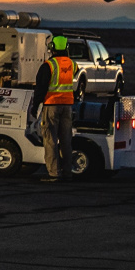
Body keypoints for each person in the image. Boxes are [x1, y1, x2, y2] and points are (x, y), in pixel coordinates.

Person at [34, 34, 78, 182]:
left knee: (50, 140)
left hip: (52, 105)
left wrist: (35, 106)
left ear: (51, 48)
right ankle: (67, 172)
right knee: (66, 140)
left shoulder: (49, 65)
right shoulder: (72, 64)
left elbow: (40, 87)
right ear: (66, 48)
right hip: (68, 106)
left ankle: (53, 174)